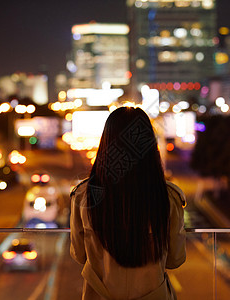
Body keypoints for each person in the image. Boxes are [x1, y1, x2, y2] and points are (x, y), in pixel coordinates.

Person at [70, 106, 186, 300]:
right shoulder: (167, 197)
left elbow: (79, 255)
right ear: (149, 146)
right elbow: (175, 259)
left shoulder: (85, 197)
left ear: (106, 143)